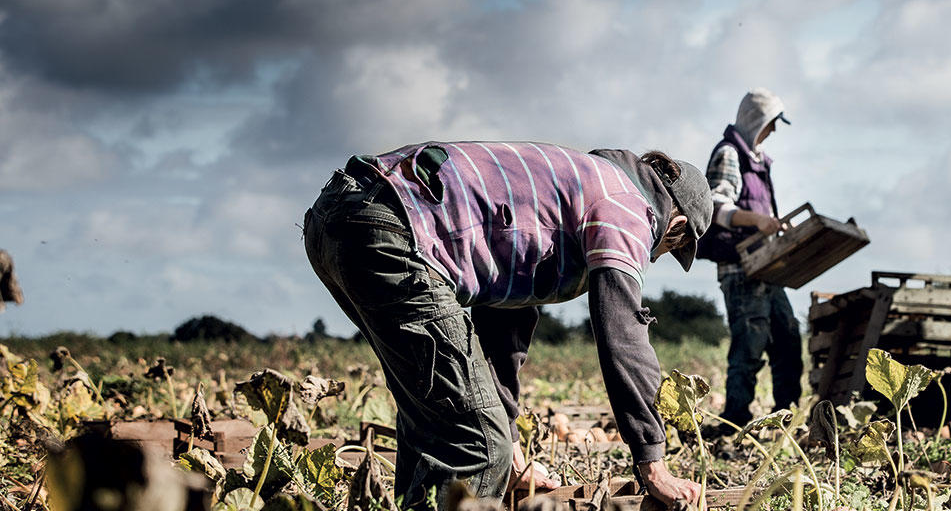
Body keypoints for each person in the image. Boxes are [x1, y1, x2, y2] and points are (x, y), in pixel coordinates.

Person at [303, 141, 710, 508]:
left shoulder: (579, 185)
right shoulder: (626, 206)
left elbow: (504, 327)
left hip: (341, 216)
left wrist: (514, 447)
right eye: (672, 247)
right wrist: (653, 462)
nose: (655, 257)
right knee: (477, 443)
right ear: (675, 226)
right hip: (394, 227)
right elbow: (623, 333)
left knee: (439, 419)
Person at [697, 88, 803, 428]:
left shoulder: (757, 159)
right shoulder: (730, 154)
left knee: (787, 338)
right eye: (770, 123)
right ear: (756, 121)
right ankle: (735, 420)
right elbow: (715, 207)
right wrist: (758, 220)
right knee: (749, 345)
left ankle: (787, 415)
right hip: (741, 268)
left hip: (766, 266)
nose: (772, 132)